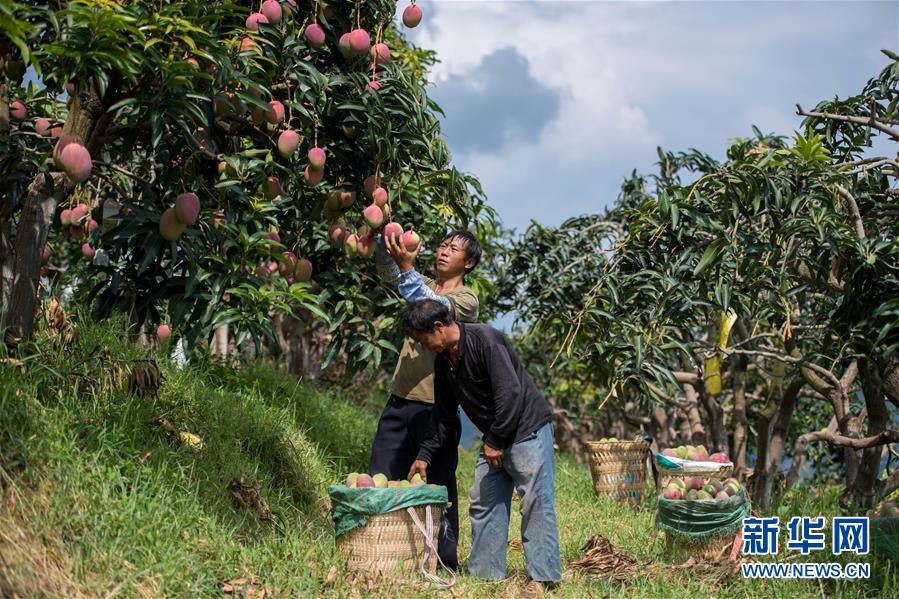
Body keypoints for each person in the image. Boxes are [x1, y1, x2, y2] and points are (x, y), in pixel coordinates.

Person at [405, 299, 562, 595]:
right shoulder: (444, 362)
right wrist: (424, 455)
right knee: (483, 500)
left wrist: (494, 441)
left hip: (527, 429)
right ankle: (485, 574)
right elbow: (444, 414)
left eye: (422, 339)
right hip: (496, 436)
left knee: (535, 502)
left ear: (438, 327)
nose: (422, 347)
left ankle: (542, 578)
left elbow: (511, 393)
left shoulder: (485, 340)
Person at [368, 229, 482, 570]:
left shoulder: (465, 299)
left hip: (437, 409)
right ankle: (378, 550)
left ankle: (444, 561)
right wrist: (383, 234)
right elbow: (390, 273)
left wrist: (406, 267)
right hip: (399, 402)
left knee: (439, 486)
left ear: (469, 262)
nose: (445, 251)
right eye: (443, 245)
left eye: (455, 249)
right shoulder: (422, 282)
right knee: (382, 477)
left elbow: (425, 299)